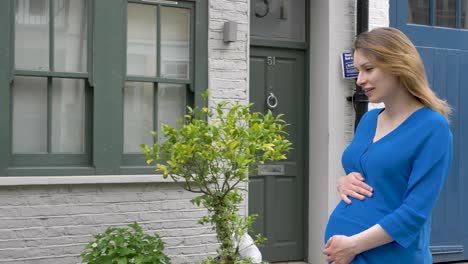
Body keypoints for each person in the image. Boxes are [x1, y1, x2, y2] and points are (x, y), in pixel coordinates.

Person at [323, 27, 453, 264]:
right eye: (358, 70)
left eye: (368, 69)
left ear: (398, 64)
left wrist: (353, 245)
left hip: (390, 257)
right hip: (347, 255)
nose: (360, 80)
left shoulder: (432, 127)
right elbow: (375, 176)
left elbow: (415, 213)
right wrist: (344, 181)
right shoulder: (369, 120)